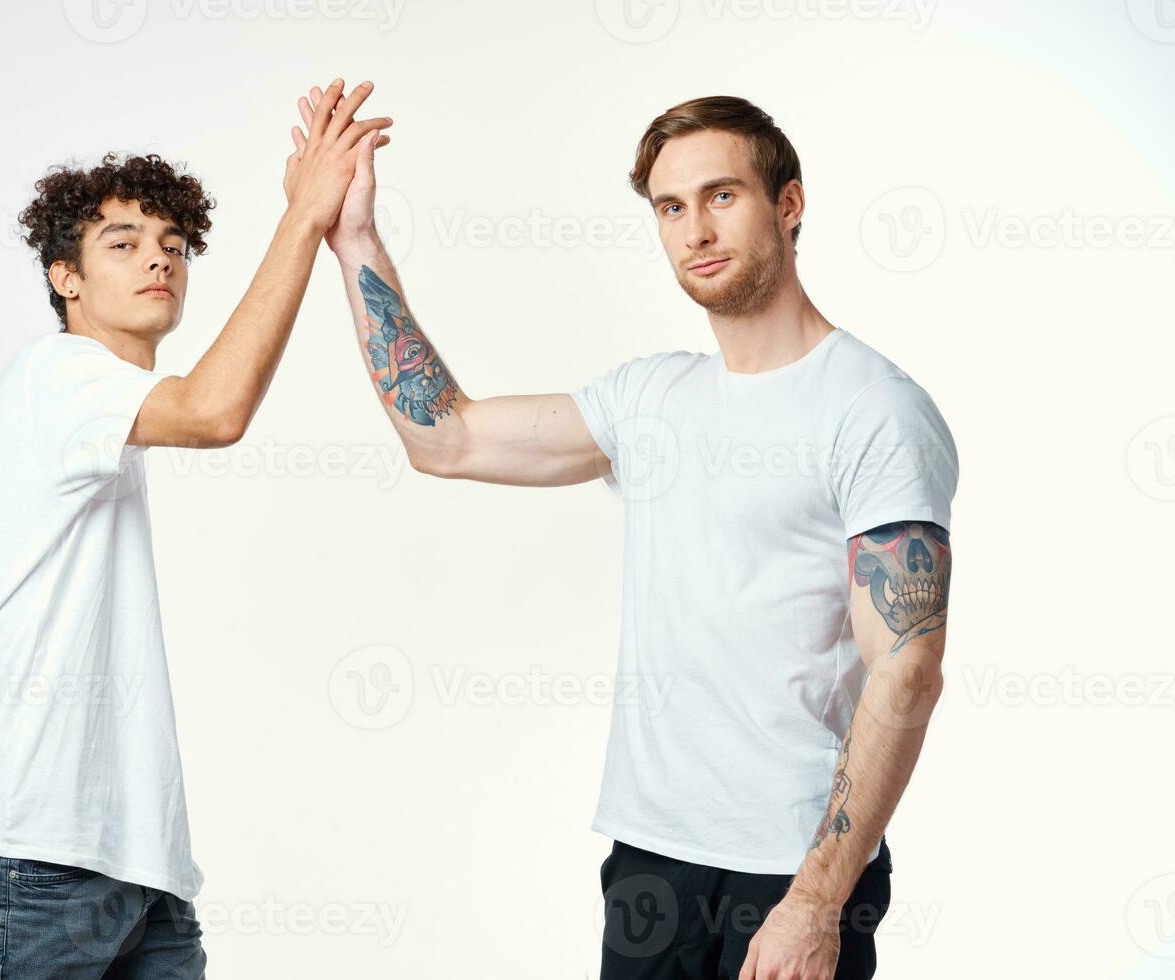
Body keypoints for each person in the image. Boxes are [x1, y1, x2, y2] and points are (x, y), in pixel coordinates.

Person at [302, 91, 957, 980]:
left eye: (722, 196)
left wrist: (815, 899)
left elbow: (908, 670)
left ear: (789, 204)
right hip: (650, 858)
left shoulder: (873, 409)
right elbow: (444, 436)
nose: (696, 229)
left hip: (791, 868)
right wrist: (355, 244)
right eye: (671, 207)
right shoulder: (650, 399)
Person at [0, 79, 391, 979]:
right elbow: (217, 410)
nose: (160, 259)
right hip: (34, 867)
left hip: (145, 876)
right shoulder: (55, 375)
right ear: (64, 277)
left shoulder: (103, 415)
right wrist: (303, 218)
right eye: (124, 242)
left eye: (175, 244)